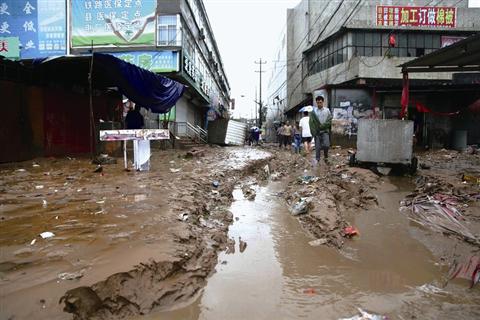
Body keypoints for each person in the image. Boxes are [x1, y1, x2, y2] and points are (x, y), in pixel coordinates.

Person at [310, 96, 332, 163]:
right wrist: (313, 131)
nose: (319, 104)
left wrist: (324, 126)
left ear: (323, 102)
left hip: (325, 131)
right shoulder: (314, 112)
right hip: (317, 132)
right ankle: (318, 160)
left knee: (326, 145)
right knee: (317, 147)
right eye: (318, 102)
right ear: (316, 103)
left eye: (320, 102)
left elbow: (329, 120)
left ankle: (325, 156)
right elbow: (311, 122)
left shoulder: (327, 110)